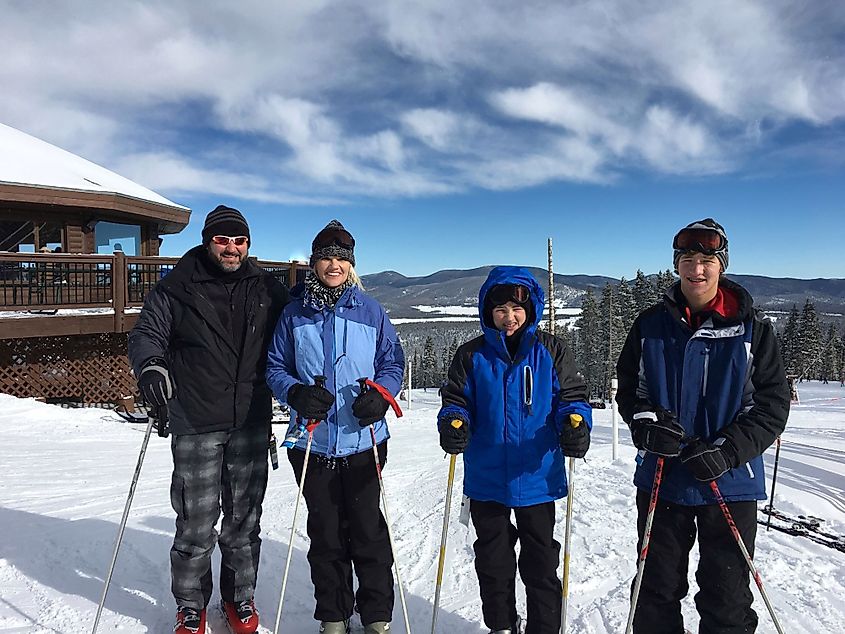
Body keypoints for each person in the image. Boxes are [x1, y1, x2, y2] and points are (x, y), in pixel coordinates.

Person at [615, 218, 790, 634]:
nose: (697, 270)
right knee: (654, 594)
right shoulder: (650, 325)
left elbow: (771, 405)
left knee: (726, 601)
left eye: (706, 260)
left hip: (729, 481)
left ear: (721, 265)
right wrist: (645, 426)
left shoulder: (752, 329)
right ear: (676, 265)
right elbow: (630, 392)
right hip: (664, 475)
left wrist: (728, 450)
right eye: (688, 259)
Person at [128, 205, 289, 634]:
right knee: (196, 524)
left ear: (248, 244)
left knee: (244, 522)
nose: (231, 247)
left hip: (250, 419)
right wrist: (151, 368)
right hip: (196, 418)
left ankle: (240, 597)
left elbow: (301, 330)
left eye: (239, 240)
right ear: (207, 241)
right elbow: (147, 334)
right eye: (222, 239)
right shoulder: (177, 287)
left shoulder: (266, 289)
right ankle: (190, 605)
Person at [266, 220, 405, 634]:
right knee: (326, 536)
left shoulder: (370, 309)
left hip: (364, 441)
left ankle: (376, 615)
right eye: (326, 257)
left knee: (368, 532)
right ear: (314, 263)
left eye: (341, 259)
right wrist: (295, 394)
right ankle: (333, 615)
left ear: (351, 265)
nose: (333, 265)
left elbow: (392, 362)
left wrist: (382, 395)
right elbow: (275, 366)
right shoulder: (293, 313)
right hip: (312, 442)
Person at [437, 265, 592, 634]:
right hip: (487, 479)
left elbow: (571, 397)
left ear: (532, 309)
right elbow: (456, 400)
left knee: (540, 564)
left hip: (537, 478)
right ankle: (501, 625)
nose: (509, 318)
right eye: (501, 310)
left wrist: (575, 423)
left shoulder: (550, 350)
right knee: (493, 562)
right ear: (488, 311)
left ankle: (544, 627)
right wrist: (454, 422)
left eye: (517, 309)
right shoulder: (471, 355)